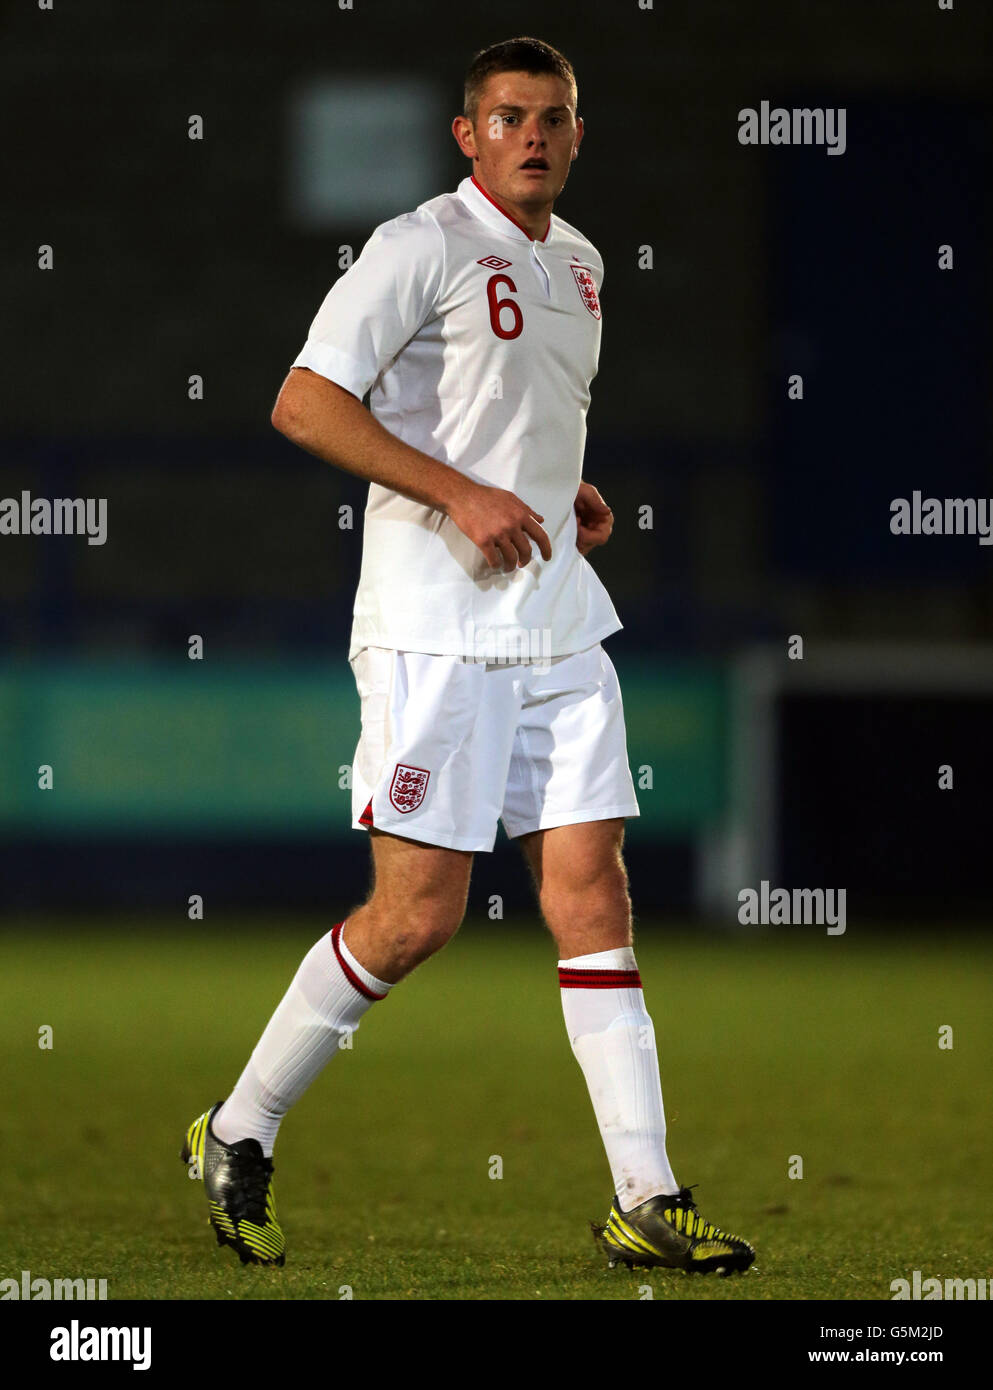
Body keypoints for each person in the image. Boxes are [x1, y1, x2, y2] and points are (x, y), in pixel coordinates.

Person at [181, 35, 754, 1279]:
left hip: (554, 614)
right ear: (468, 134)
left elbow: (511, 424)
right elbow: (303, 401)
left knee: (593, 890)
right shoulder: (417, 245)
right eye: (508, 116)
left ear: (577, 135)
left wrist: (558, 491)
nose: (532, 135)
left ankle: (645, 1193)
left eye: (553, 117)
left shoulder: (585, 264)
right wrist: (460, 498)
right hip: (434, 628)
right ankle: (238, 1124)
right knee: (416, 918)